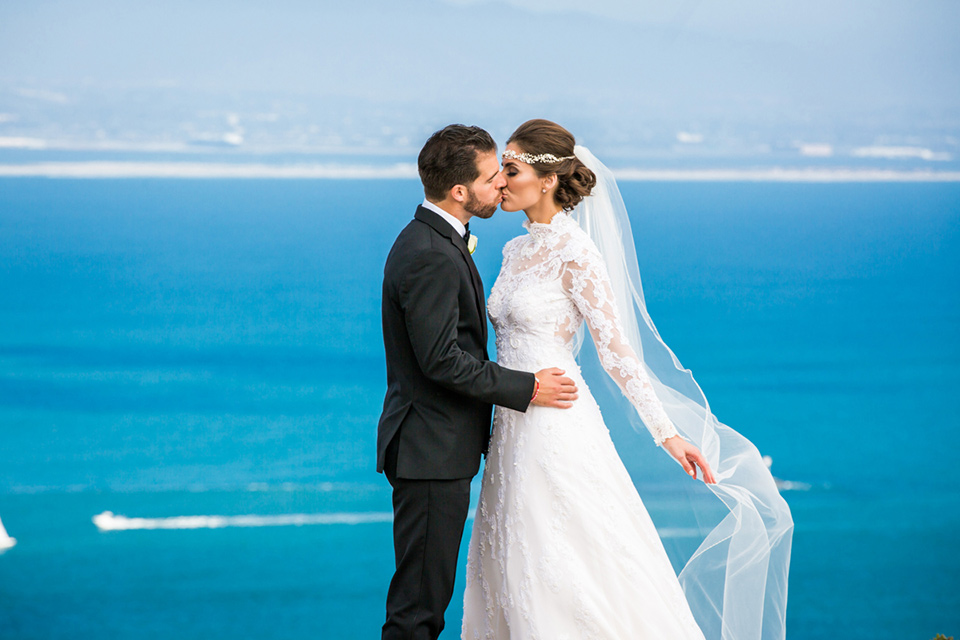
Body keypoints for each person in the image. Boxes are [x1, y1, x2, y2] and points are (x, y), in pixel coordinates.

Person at [462, 120, 793, 639]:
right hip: (511, 423)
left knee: (567, 561)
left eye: (512, 169)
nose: (501, 181)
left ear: (547, 181)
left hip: (556, 423)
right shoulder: (513, 251)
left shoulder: (577, 253)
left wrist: (668, 433)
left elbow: (618, 354)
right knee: (511, 555)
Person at [377, 124, 579, 640]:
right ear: (460, 191)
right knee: (418, 608)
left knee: (427, 599)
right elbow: (442, 360)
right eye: (493, 178)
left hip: (438, 447)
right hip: (429, 449)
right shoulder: (429, 253)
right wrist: (528, 388)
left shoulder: (434, 240)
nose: (502, 187)